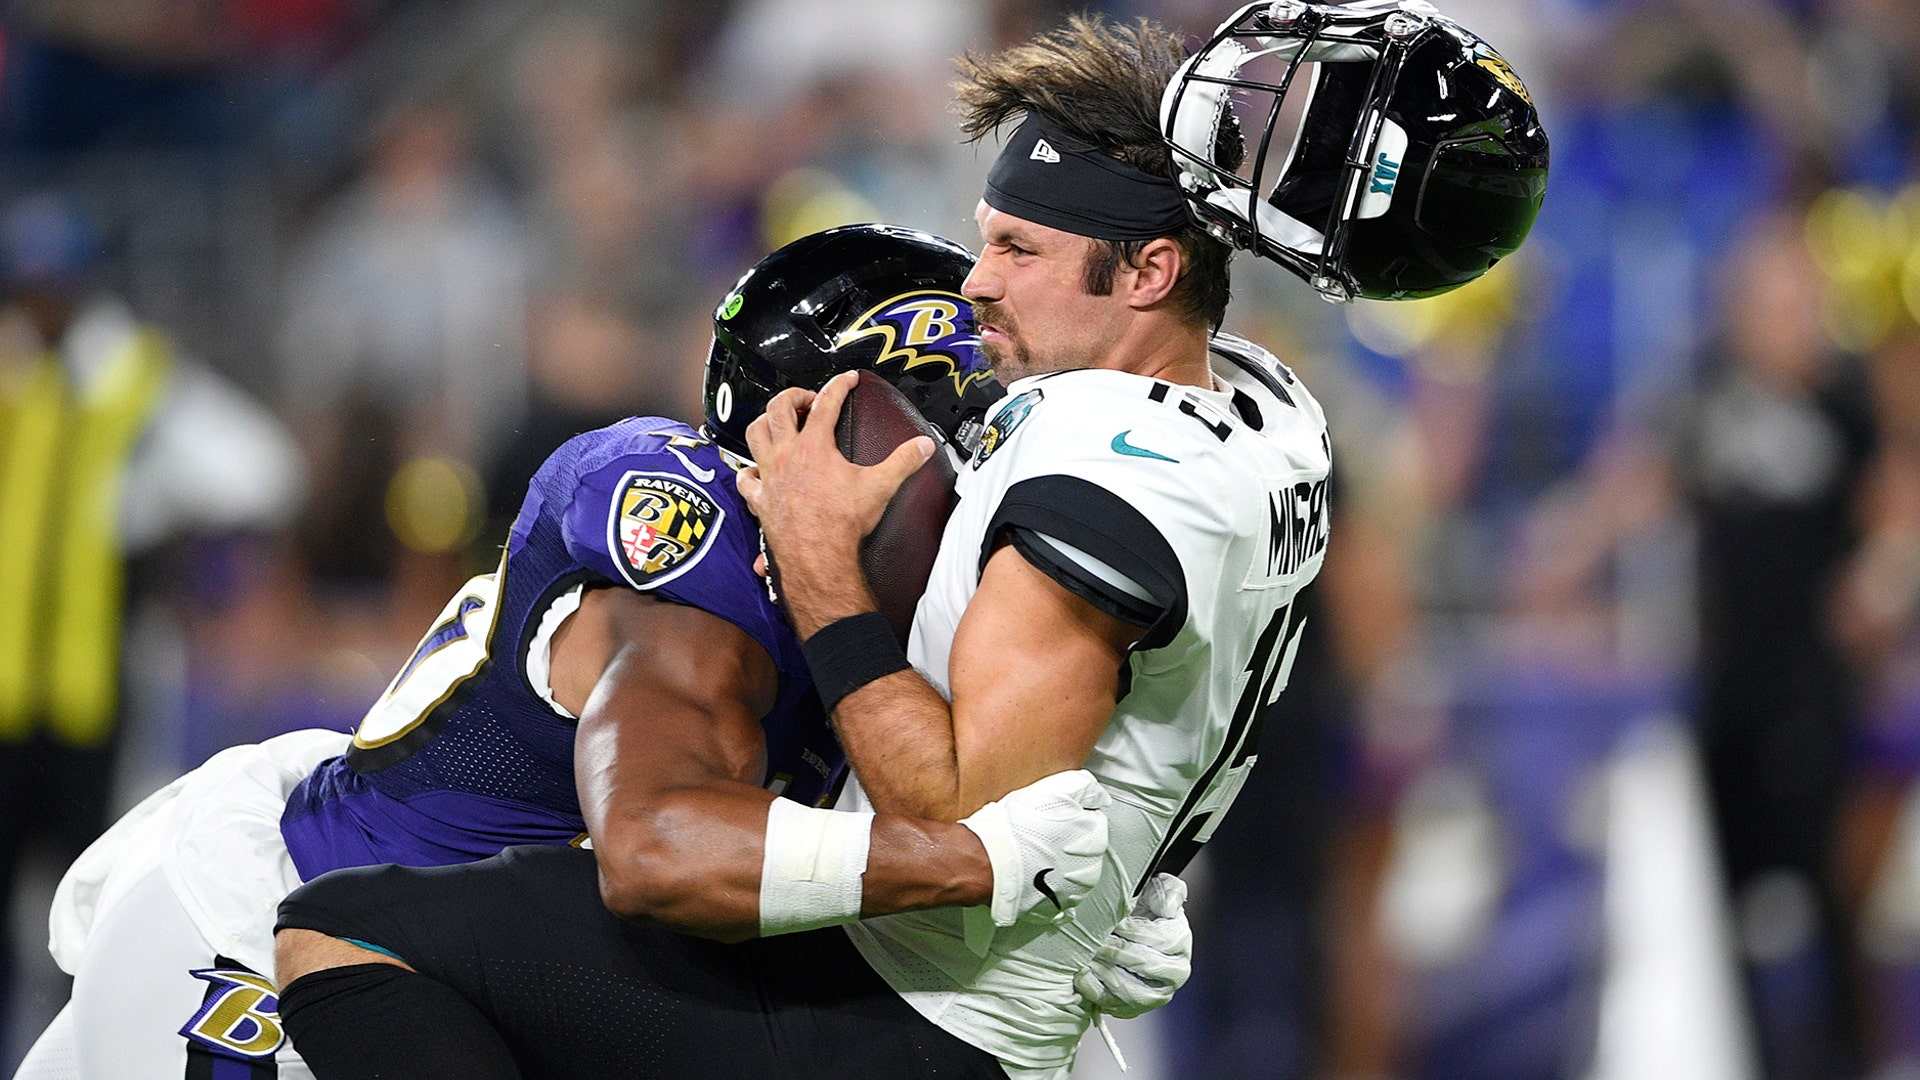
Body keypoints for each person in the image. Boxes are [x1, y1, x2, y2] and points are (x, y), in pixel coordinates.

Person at [271, 4, 1546, 1078]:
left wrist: (825, 571)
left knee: (347, 937)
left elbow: (955, 821)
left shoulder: (1102, 472)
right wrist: (1132, 876)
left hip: (913, 1016)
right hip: (993, 994)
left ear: (1150, 273)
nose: (974, 283)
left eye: (1018, 247)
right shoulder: (1272, 409)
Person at [15, 224, 1139, 1080]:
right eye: (968, 431)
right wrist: (981, 867)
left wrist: (1078, 916)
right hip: (272, 946)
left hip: (478, 984)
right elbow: (655, 845)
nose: (989, 478)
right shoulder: (691, 541)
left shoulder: (893, 607)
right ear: (828, 425)